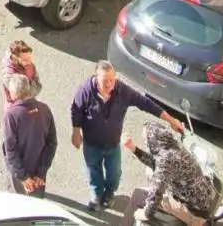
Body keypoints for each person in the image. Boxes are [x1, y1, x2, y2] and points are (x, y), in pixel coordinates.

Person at [71, 61, 182, 214]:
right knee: (93, 170)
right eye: (105, 81)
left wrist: (171, 120)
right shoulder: (85, 91)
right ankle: (96, 194)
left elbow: (145, 103)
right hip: (91, 143)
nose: (110, 84)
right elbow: (76, 110)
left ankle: (109, 193)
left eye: (112, 79)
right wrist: (76, 132)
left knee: (114, 173)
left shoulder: (122, 90)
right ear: (96, 78)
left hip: (112, 144)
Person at [125, 120, 220, 225]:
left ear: (153, 141)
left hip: (192, 210)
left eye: (146, 140)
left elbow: (155, 195)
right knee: (151, 175)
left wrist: (145, 214)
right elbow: (155, 164)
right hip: (204, 198)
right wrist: (134, 149)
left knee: (138, 195)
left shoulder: (165, 161)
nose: (146, 143)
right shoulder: (173, 146)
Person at [1, 74, 57, 197]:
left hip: (19, 174)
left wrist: (23, 177)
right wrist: (41, 173)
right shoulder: (44, 109)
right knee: (36, 206)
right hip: (38, 171)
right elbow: (51, 143)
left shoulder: (11, 115)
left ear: (14, 94)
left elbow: (10, 150)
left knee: (17, 205)